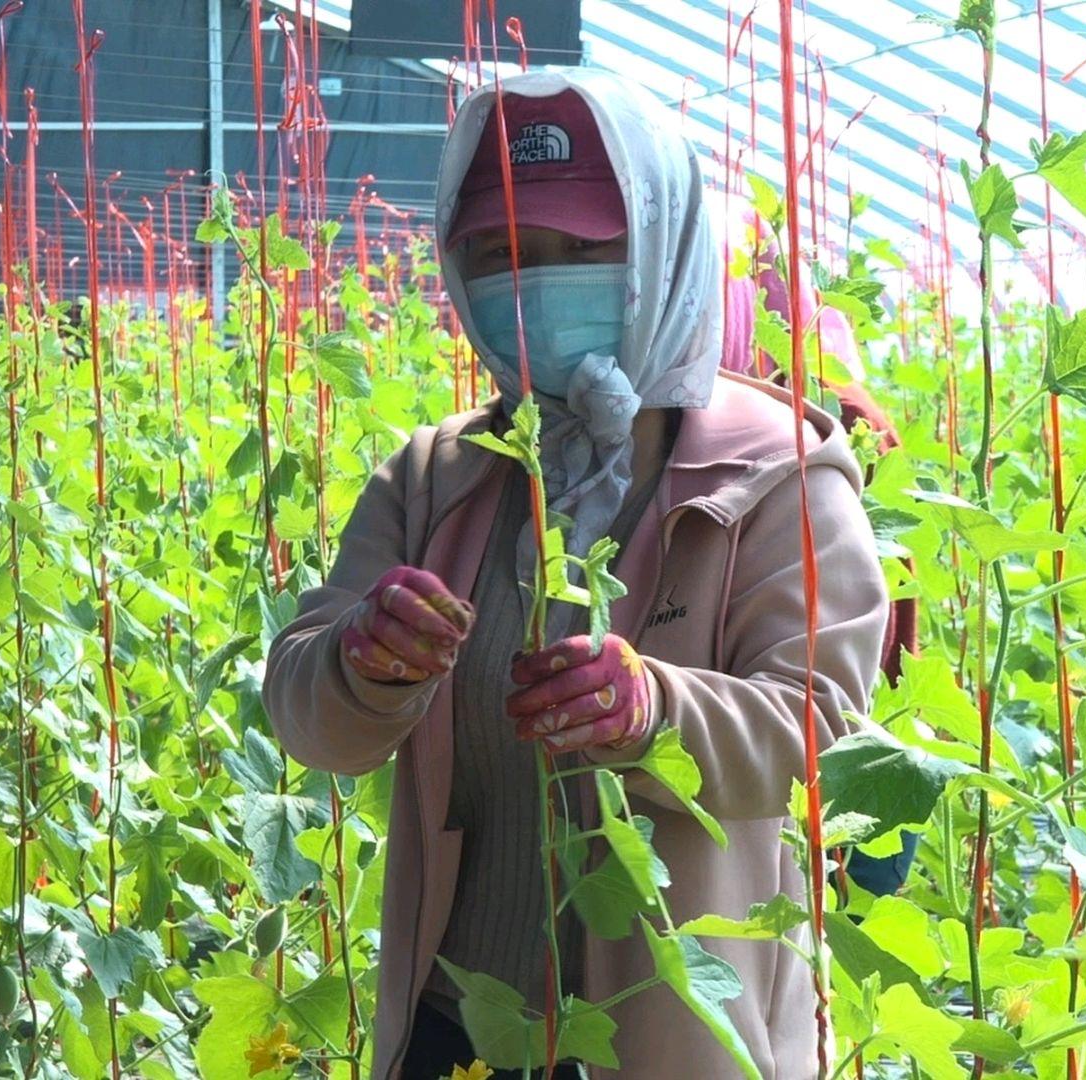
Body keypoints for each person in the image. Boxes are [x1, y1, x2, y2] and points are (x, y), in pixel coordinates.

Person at [262, 69, 889, 1080]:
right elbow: (308, 715)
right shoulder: (434, 479)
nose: (534, 282)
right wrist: (360, 661)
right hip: (453, 1031)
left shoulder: (778, 479)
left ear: (661, 244)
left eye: (579, 250)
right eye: (500, 254)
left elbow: (823, 736)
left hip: (668, 1043)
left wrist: (653, 710)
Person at [721, 218, 921, 900]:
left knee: (818, 917)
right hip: (873, 723)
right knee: (851, 912)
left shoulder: (810, 419)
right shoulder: (859, 413)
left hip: (831, 734)